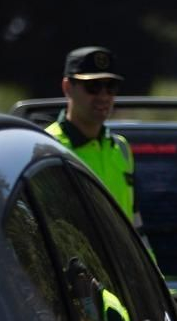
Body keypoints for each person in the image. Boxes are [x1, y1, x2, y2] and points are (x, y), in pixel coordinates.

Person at [46, 46, 143, 233]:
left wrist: (148, 263)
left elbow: (135, 226)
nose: (103, 96)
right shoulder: (48, 147)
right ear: (67, 87)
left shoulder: (121, 148)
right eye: (93, 87)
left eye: (111, 87)